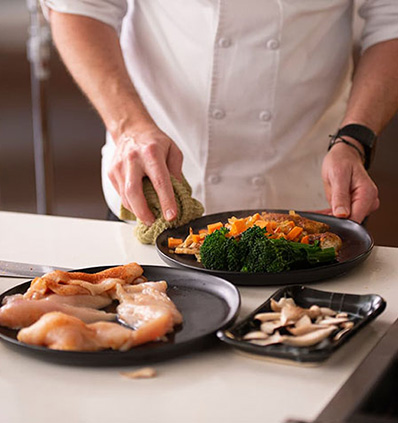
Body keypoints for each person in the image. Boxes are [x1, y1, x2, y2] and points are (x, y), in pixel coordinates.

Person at [40, 1, 398, 226]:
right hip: (155, 183)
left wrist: (355, 139)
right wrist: (129, 125)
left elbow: (391, 21)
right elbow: (80, 7)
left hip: (308, 200)